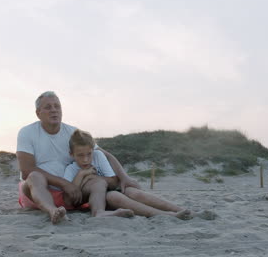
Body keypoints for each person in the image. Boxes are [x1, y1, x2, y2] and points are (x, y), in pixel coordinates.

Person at [16, 91, 140, 224]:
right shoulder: (27, 132)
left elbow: (104, 154)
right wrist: (65, 183)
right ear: (38, 113)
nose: (54, 110)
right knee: (34, 176)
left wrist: (125, 177)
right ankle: (53, 211)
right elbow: (26, 170)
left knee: (99, 183)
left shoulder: (72, 132)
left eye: (57, 106)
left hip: (72, 193)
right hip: (39, 193)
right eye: (48, 107)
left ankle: (100, 212)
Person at [64, 129, 194, 220]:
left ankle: (180, 210)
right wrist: (82, 174)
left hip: (109, 192)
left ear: (93, 150)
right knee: (111, 193)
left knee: (132, 192)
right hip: (93, 200)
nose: (86, 159)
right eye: (80, 155)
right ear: (72, 154)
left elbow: (113, 181)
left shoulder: (98, 155)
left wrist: (94, 176)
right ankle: (165, 215)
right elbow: (69, 197)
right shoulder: (71, 169)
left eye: (89, 154)